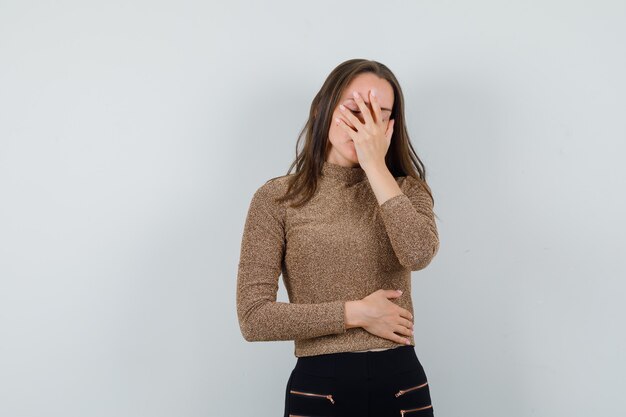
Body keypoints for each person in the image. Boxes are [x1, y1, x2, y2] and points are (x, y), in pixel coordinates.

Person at [236, 58, 440, 417]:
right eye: (354, 109)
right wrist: (356, 313)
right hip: (320, 386)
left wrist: (375, 166)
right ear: (322, 109)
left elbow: (418, 253)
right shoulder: (277, 199)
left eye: (379, 115)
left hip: (401, 382)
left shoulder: (406, 190)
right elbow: (254, 319)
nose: (365, 126)